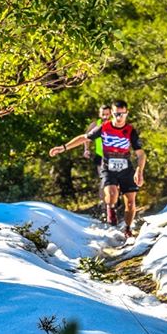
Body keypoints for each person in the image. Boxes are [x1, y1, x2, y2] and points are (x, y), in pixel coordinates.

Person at [50, 100, 146, 237]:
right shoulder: (104, 127)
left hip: (126, 168)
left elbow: (141, 154)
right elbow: (84, 138)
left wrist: (139, 170)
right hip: (108, 167)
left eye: (122, 114)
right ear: (112, 113)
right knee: (112, 194)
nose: (118, 118)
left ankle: (128, 228)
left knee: (130, 203)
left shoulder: (130, 131)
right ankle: (111, 208)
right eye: (116, 114)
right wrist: (63, 147)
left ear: (127, 113)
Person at [83, 104, 118, 224]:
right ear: (99, 114)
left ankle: (113, 205)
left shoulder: (116, 123)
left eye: (108, 114)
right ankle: (104, 206)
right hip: (101, 157)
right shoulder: (95, 124)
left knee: (116, 182)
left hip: (115, 157)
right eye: (103, 114)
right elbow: (86, 137)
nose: (105, 116)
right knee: (105, 182)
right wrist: (86, 149)